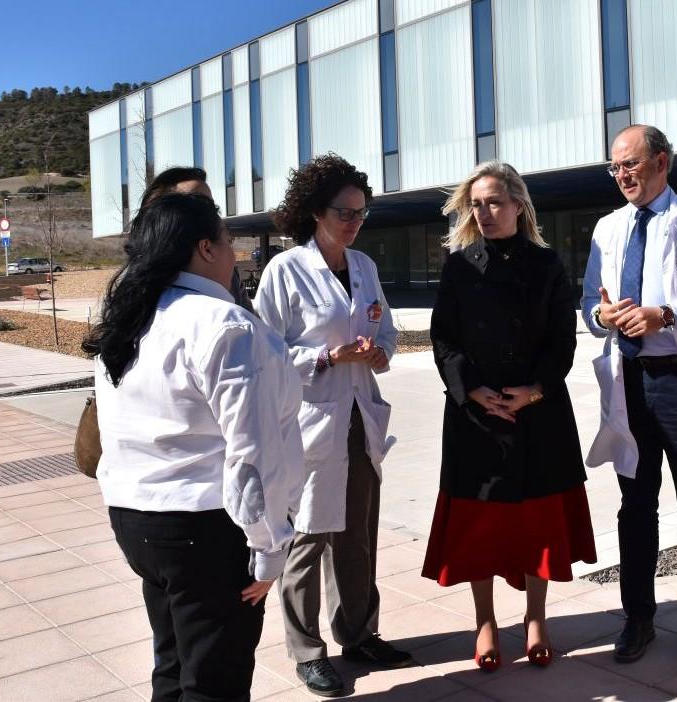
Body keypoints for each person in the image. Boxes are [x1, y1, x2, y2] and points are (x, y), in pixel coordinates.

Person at [84, 193, 304, 702]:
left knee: (174, 662)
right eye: (228, 242)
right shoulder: (224, 325)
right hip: (204, 528)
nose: (235, 255)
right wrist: (269, 547)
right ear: (205, 249)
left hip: (137, 519)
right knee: (214, 680)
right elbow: (252, 455)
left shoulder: (130, 321)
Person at [421, 161, 596, 672]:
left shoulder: (547, 264)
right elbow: (443, 338)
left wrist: (534, 391)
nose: (485, 212)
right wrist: (472, 390)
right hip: (476, 416)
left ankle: (536, 617)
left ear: (519, 204)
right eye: (477, 204)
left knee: (538, 523)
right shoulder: (458, 265)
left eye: (495, 202)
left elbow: (562, 339)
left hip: (538, 411)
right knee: (480, 527)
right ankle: (485, 622)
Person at [253, 153, 410, 698]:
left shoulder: (363, 266)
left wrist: (380, 352)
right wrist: (326, 356)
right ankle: (307, 651)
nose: (354, 222)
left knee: (357, 535)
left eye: (361, 213)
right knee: (307, 537)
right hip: (310, 422)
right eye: (345, 212)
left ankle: (359, 634)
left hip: (360, 416)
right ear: (316, 212)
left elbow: (386, 329)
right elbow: (267, 352)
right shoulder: (285, 271)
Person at [582, 124, 677, 663]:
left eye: (631, 164)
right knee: (636, 505)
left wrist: (664, 315)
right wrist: (603, 315)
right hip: (630, 380)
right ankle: (638, 618)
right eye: (614, 167)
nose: (621, 175)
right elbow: (589, 304)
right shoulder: (608, 228)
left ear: (661, 162)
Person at [139, 166, 254, 312]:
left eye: (211, 206)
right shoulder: (138, 281)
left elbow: (247, 316)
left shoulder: (228, 274)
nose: (208, 214)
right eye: (195, 203)